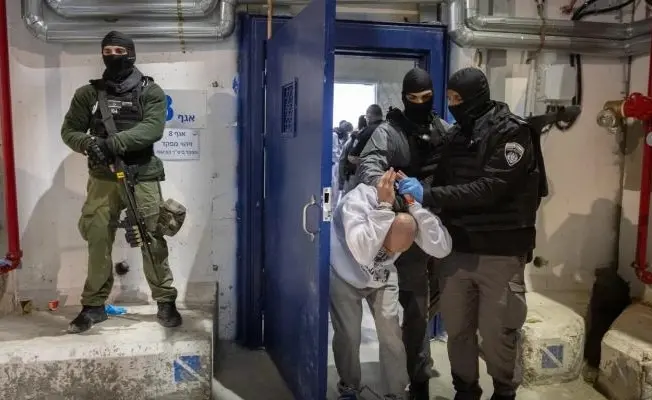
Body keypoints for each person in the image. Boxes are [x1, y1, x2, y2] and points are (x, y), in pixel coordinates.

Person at [398, 67, 546, 400]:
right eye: (449, 98)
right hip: (456, 252)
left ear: (476, 97)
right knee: (458, 331)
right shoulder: (455, 137)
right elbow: (440, 177)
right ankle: (465, 391)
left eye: (457, 99)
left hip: (501, 253)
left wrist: (429, 194)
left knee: (497, 333)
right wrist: (413, 188)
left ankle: (504, 392)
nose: (452, 105)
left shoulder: (513, 133)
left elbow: (490, 188)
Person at [60, 31, 182, 333]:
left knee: (152, 235)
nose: (113, 56)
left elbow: (152, 129)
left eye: (119, 50)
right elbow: (70, 131)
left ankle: (165, 301)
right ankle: (94, 306)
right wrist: (89, 144)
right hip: (103, 177)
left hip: (142, 175)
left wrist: (111, 144)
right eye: (107, 51)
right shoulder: (88, 94)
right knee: (98, 236)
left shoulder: (150, 91)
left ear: (131, 53)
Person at [355, 68, 450, 400]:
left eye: (426, 97)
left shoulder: (443, 129)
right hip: (403, 229)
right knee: (408, 309)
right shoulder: (388, 131)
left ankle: (416, 374)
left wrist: (434, 194)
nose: (420, 103)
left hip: (437, 228)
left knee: (428, 307)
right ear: (404, 98)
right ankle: (411, 380)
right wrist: (399, 194)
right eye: (413, 98)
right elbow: (368, 168)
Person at [330, 168, 452, 400]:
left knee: (391, 334)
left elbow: (442, 247)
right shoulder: (358, 200)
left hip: (382, 275)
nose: (388, 253)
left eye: (394, 251)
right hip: (344, 271)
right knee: (348, 335)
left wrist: (416, 206)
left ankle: (395, 392)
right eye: (387, 248)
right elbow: (363, 252)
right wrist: (384, 209)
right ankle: (349, 386)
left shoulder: (407, 206)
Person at [339, 105, 384, 194]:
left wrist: (341, 179)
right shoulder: (389, 129)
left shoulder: (362, 134)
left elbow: (349, 157)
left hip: (360, 176)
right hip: (384, 177)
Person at [333, 120, 354, 204]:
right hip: (333, 165)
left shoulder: (340, 137)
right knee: (332, 191)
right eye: (348, 132)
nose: (348, 134)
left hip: (336, 165)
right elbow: (335, 153)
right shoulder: (334, 135)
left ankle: (332, 208)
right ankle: (329, 209)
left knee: (336, 191)